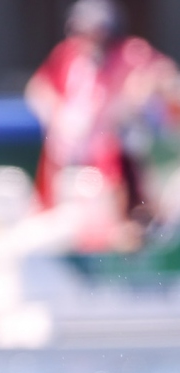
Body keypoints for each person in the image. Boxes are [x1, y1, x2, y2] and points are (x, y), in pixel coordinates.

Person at [25, 0, 180, 252]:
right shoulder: (67, 55)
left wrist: (139, 94)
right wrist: (58, 116)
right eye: (80, 31)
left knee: (131, 142)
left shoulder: (131, 54)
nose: (87, 39)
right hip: (72, 163)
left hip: (118, 159)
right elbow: (38, 89)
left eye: (95, 32)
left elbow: (164, 77)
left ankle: (133, 225)